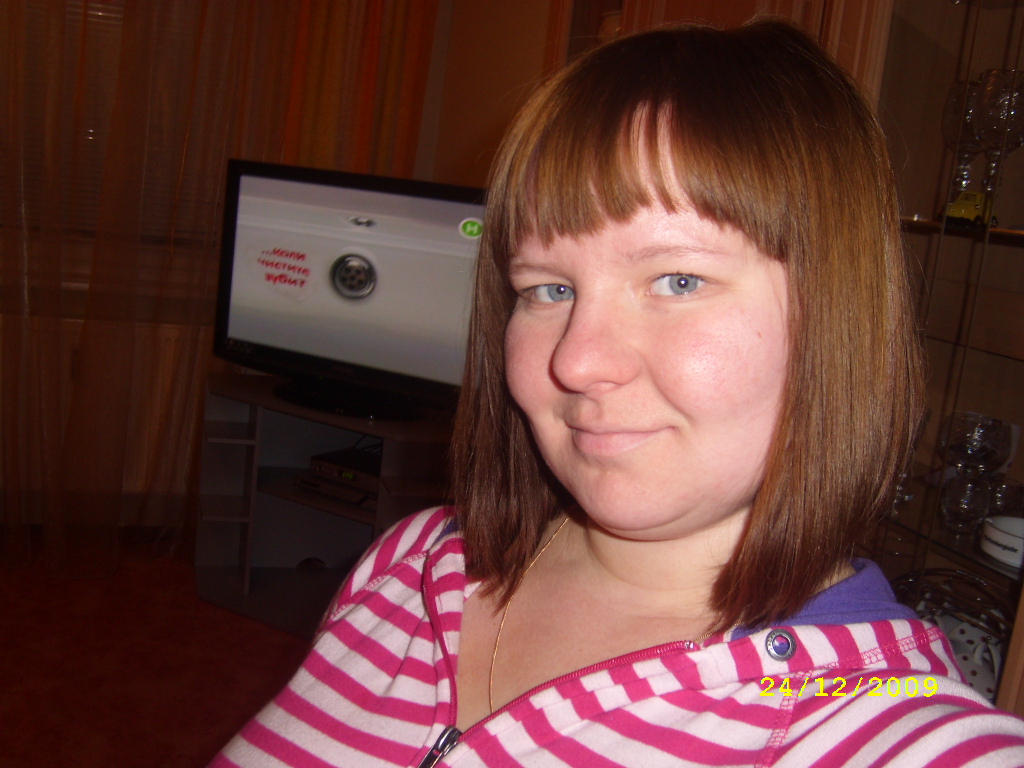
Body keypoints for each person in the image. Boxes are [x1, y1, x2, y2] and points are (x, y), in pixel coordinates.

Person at [211, 18, 1024, 768]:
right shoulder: (412, 563)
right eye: (548, 289)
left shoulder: (893, 732)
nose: (577, 362)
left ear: (835, 316)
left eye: (678, 279)